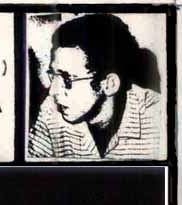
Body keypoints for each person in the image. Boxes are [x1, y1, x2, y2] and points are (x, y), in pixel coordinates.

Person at [28, 14, 164, 160]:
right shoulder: (51, 113)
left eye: (67, 79)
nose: (53, 91)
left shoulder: (158, 117)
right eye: (54, 75)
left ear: (109, 84)